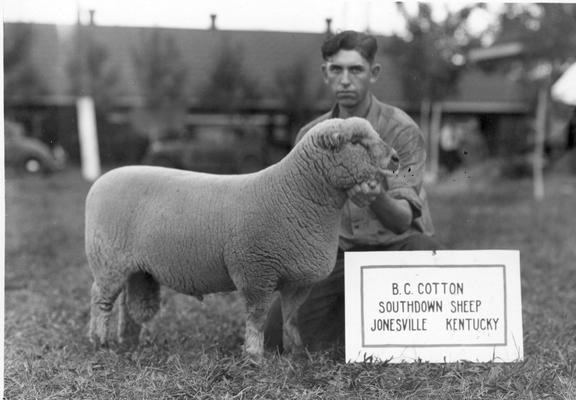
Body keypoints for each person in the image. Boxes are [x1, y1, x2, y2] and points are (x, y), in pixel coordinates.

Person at [264, 30, 442, 351]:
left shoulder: (401, 130)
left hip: (397, 248)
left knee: (425, 252)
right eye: (337, 70)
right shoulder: (311, 136)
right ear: (325, 74)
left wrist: (376, 199)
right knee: (289, 338)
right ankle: (345, 319)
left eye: (356, 70)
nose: (345, 80)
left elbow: (402, 221)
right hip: (340, 254)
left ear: (373, 74)